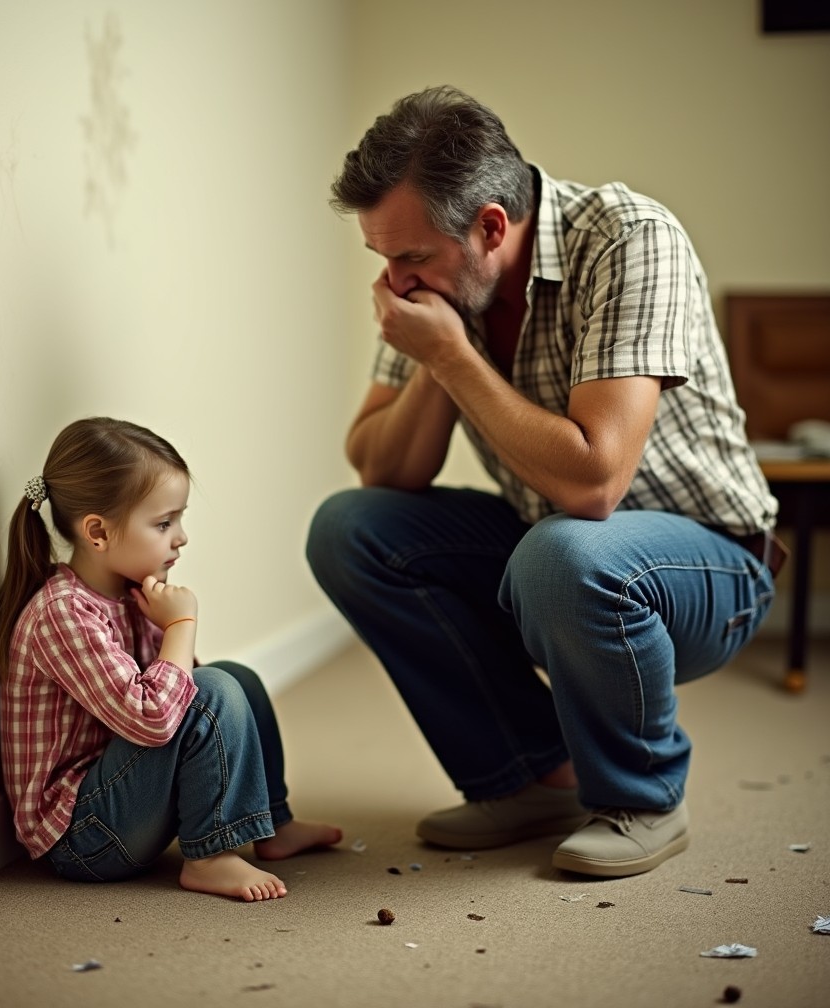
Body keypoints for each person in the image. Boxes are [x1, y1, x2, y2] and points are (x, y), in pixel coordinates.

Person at [306, 86, 782, 878]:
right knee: (350, 528)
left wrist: (455, 356)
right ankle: (534, 777)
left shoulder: (630, 239)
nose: (394, 283)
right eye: (382, 259)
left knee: (562, 552)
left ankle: (643, 797)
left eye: (413, 258)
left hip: (708, 564)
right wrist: (437, 353)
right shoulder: (433, 285)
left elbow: (594, 482)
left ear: (491, 226)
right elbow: (384, 467)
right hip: (554, 552)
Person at [0, 417, 341, 901]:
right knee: (216, 687)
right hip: (83, 837)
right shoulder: (63, 613)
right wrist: (180, 626)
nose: (182, 537)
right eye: (163, 522)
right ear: (98, 532)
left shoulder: (132, 595)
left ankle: (271, 825)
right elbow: (154, 719)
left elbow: (186, 706)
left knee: (238, 679)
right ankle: (210, 857)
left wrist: (166, 627)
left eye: (180, 518)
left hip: (119, 793)